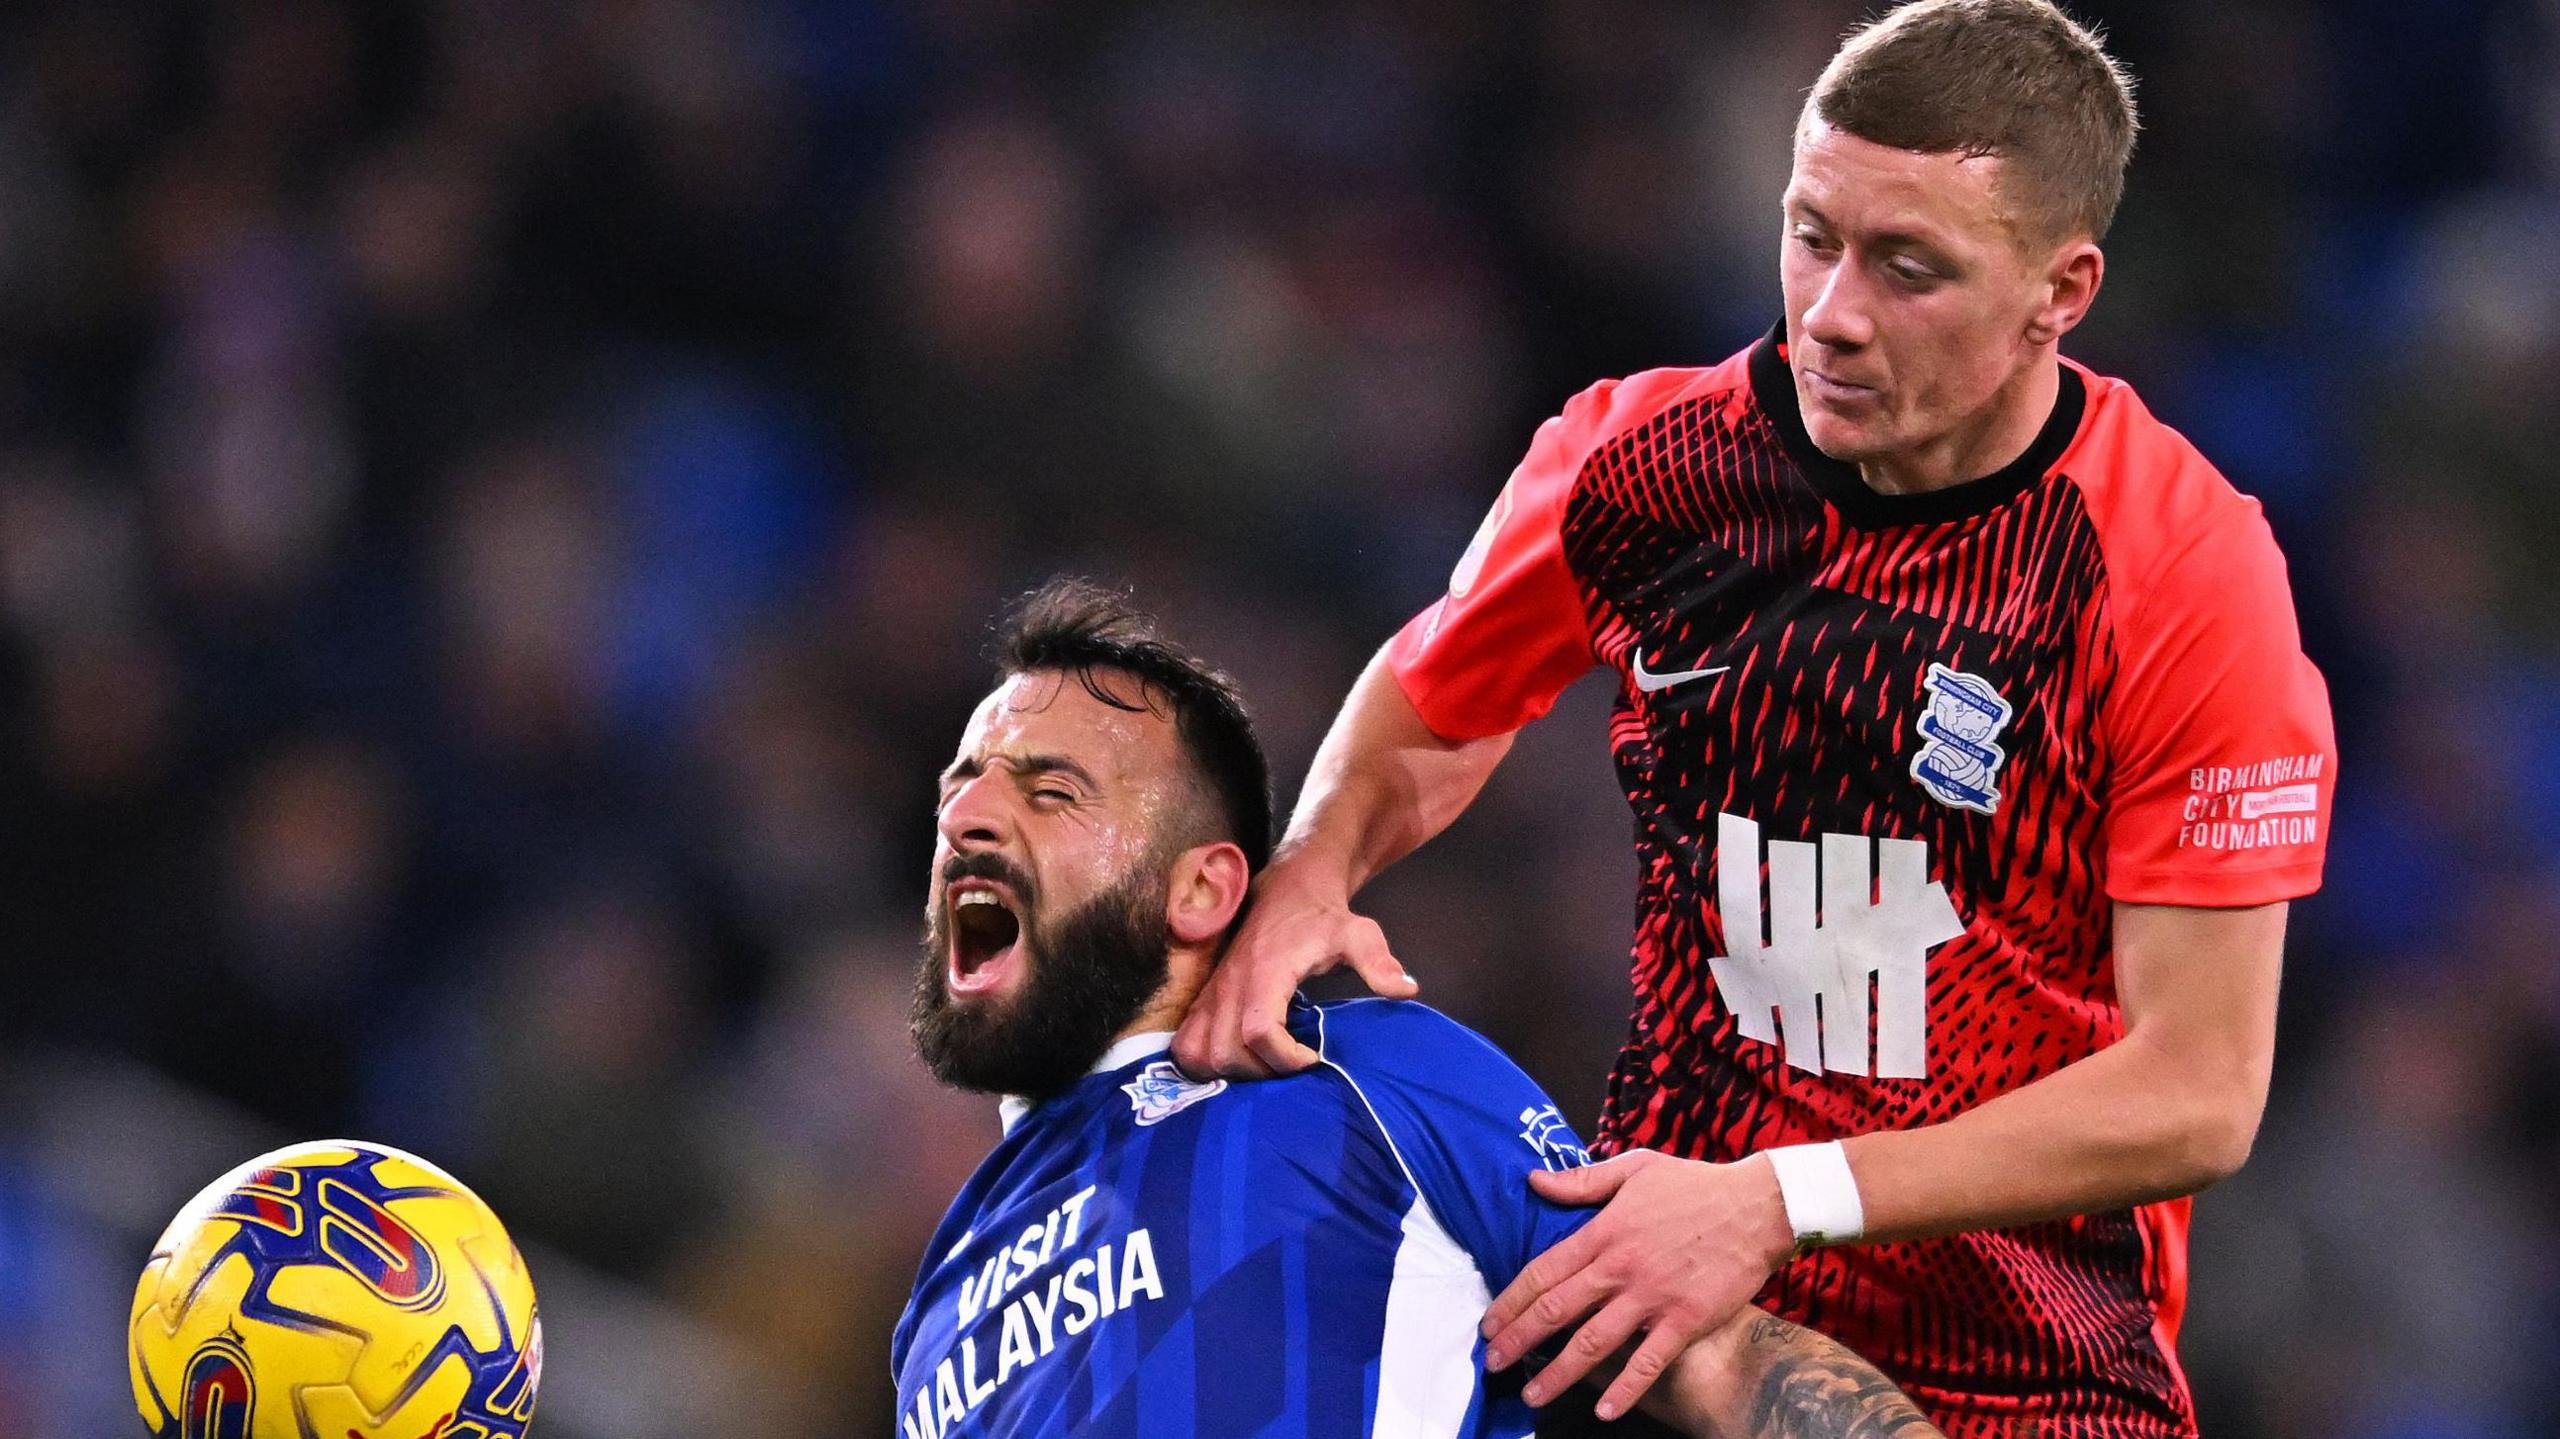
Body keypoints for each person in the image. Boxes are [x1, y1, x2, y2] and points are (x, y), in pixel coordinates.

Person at [1172, 3, 2336, 1436]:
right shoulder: (1648, 460)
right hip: (1662, 1311)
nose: (1831, 310)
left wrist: (1779, 1199)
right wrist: (1315, 861)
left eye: (1911, 268)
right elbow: (1434, 694)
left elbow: (2198, 1088)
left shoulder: (2180, 571)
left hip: (2027, 1375)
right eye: (1811, 234)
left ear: (2062, 289)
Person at [893, 578, 1947, 1439]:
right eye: (962, 783)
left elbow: (1726, 1364)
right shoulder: (935, 1301)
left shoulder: (1364, 1079)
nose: (965, 815)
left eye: (1050, 791)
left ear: (1204, 888)